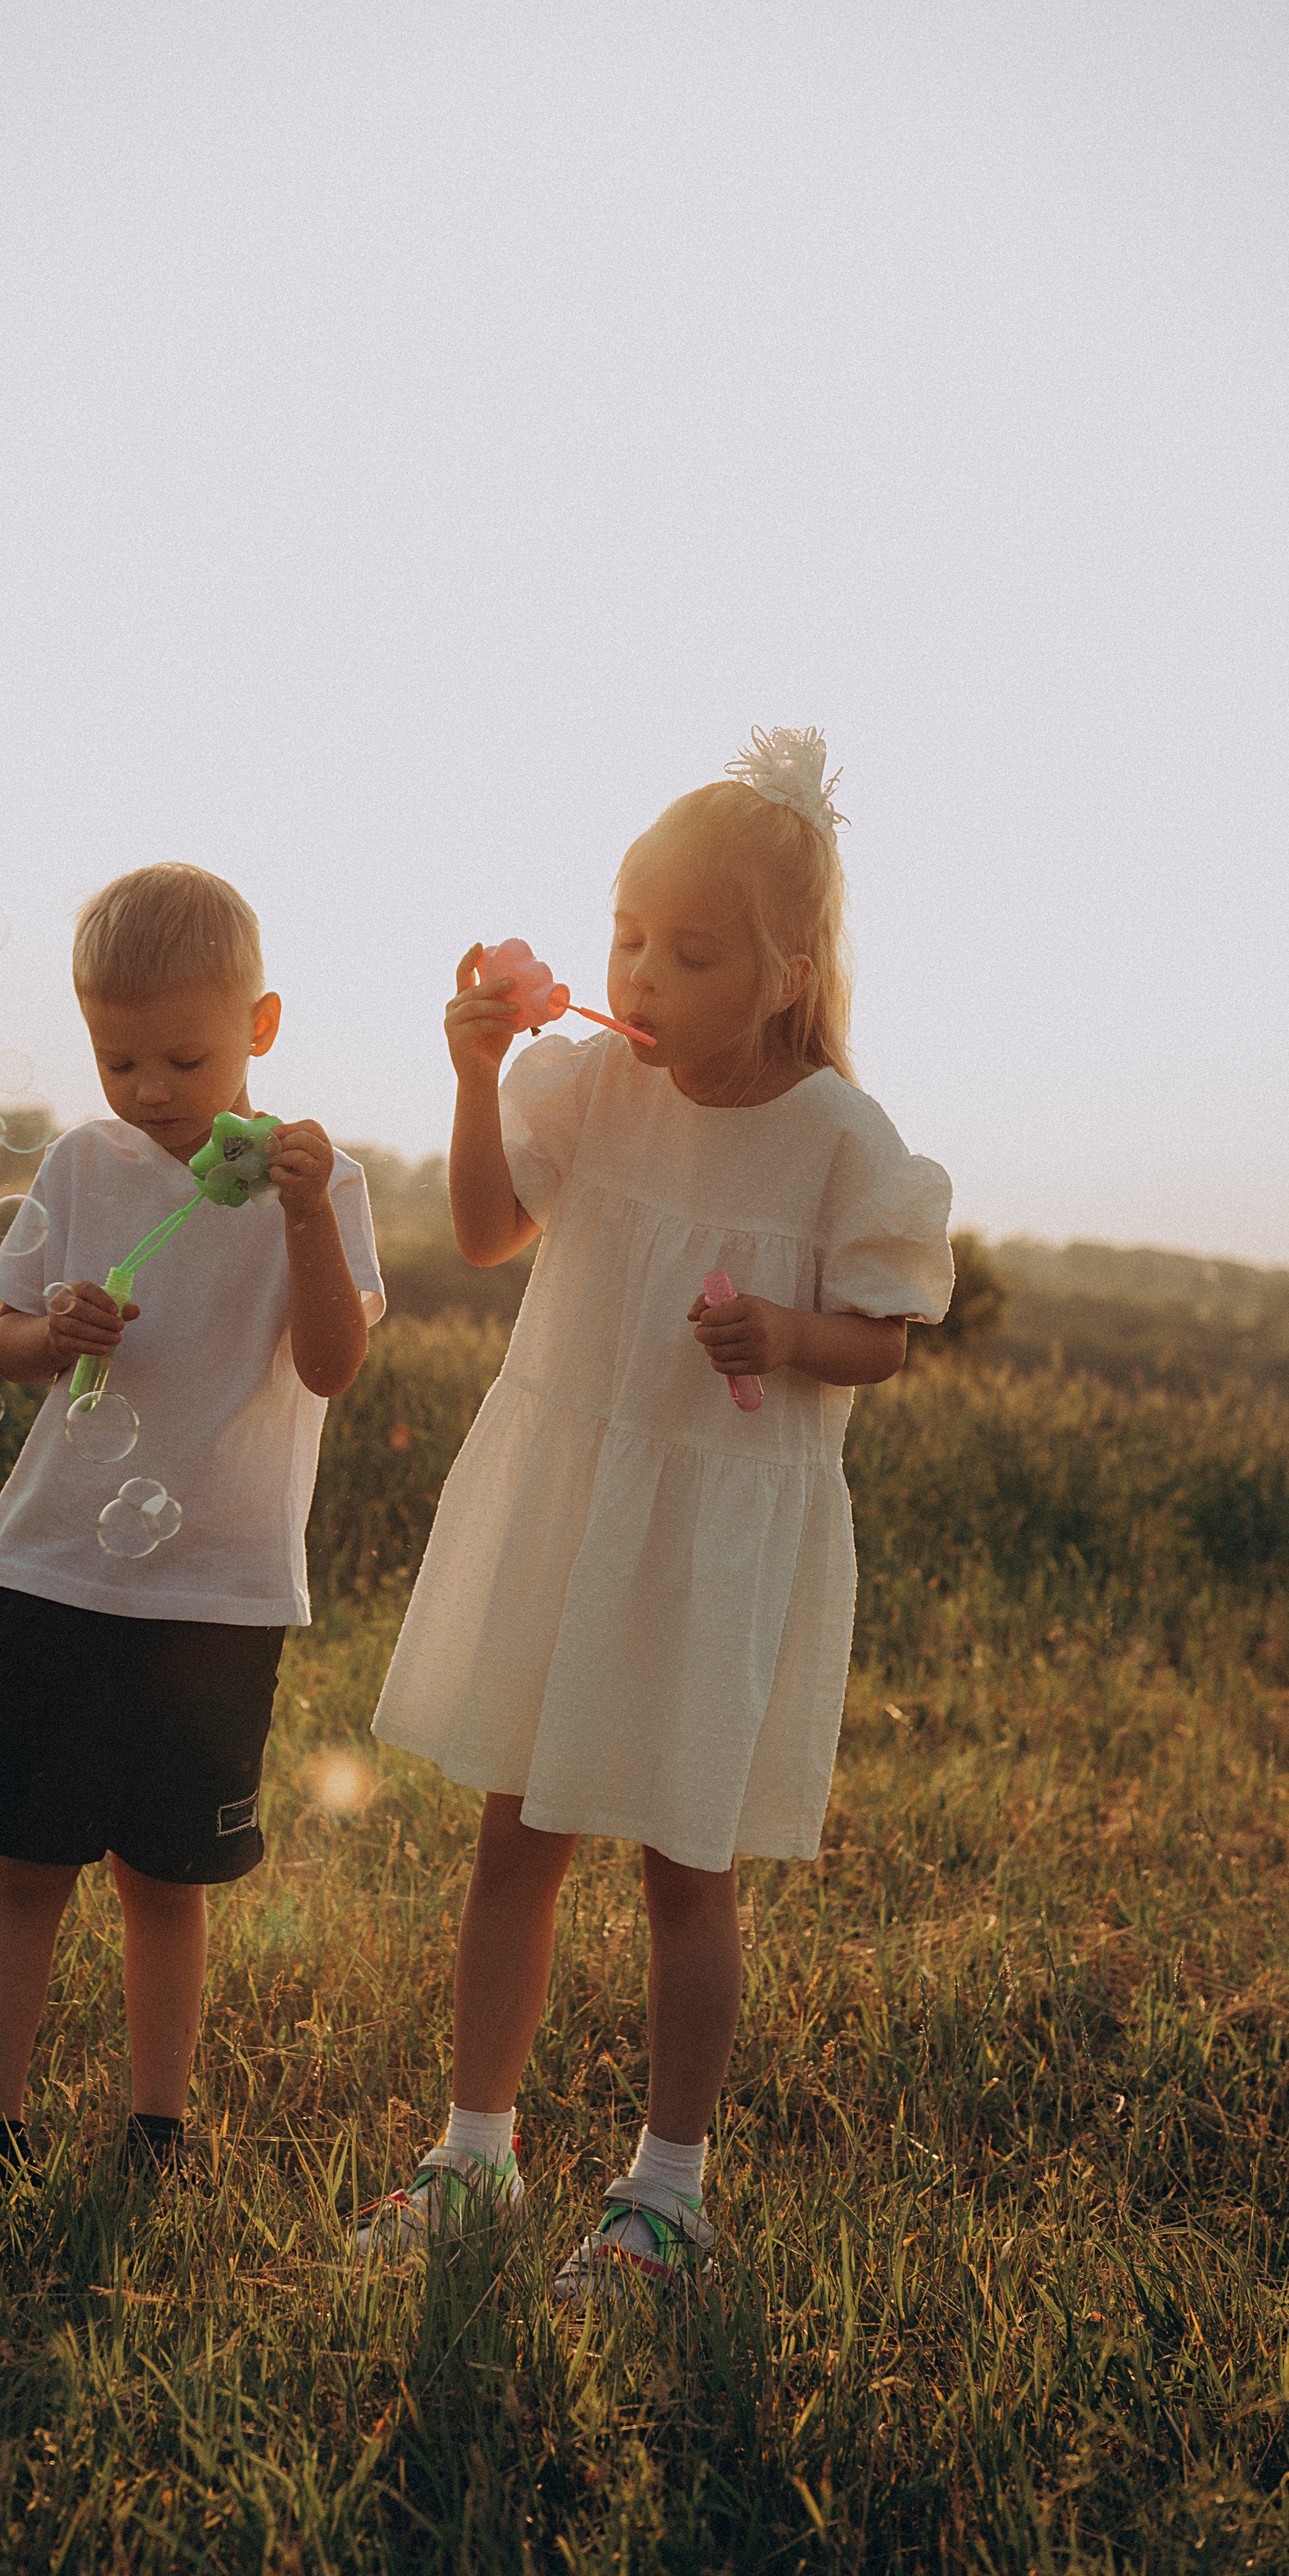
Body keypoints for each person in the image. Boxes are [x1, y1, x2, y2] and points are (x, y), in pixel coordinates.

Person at [359, 730, 951, 2299]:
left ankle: (664, 2194)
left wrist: (786, 1331)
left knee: (684, 1865)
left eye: (690, 951)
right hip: (575, 1493)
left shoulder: (839, 1136)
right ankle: (470, 2153)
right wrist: (473, 1074)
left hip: (713, 1531)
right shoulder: (587, 1080)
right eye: (627, 934)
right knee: (515, 1828)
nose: (642, 971)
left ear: (782, 972)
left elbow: (883, 1334)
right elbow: (486, 1229)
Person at [0, 862, 383, 2196]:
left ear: (264, 1027)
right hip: (58, 1564)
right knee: (24, 1863)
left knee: (163, 1878)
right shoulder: (83, 1163)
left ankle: (158, 2133)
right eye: (118, 1059)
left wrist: (299, 1213)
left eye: (184, 1056)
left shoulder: (324, 1182)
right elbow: (6, 1342)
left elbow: (335, 1363)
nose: (152, 1090)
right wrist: (47, 1327)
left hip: (216, 1592)